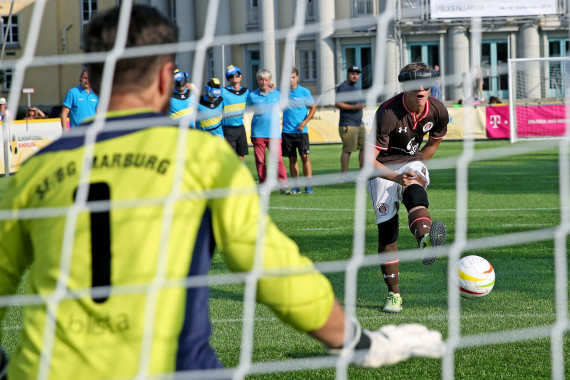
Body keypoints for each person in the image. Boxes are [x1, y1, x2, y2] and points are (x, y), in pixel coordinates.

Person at [0, 6, 444, 378]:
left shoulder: (36, 170)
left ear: (92, 82)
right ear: (165, 80)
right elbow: (275, 273)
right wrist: (362, 342)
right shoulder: (201, 160)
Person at [367, 62, 448, 313]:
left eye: (427, 84)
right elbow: (367, 161)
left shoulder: (438, 110)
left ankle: (425, 238)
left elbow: (433, 143)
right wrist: (394, 177)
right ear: (405, 87)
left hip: (410, 161)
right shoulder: (387, 112)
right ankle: (394, 295)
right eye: (416, 85)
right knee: (388, 233)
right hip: (382, 167)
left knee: (415, 189)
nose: (422, 89)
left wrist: (418, 164)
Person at [247, 68, 291, 194]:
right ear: (257, 80)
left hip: (274, 134)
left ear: (269, 81)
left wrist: (277, 88)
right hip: (258, 133)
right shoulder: (252, 95)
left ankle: (284, 185)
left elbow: (289, 93)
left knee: (278, 160)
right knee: (260, 161)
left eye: (266, 80)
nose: (263, 82)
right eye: (261, 80)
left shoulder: (277, 93)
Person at [282, 67, 317, 194]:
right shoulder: (281, 92)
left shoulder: (304, 92)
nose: (291, 80)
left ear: (297, 77)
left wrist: (305, 122)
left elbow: (313, 108)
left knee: (305, 158)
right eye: (288, 77)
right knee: (292, 160)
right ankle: (296, 186)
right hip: (287, 132)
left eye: (293, 77)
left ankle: (308, 186)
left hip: (301, 133)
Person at [335, 65, 366, 173]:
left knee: (365, 147)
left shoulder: (355, 87)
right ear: (347, 74)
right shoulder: (344, 86)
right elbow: (337, 104)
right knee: (348, 150)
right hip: (348, 124)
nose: (355, 76)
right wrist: (354, 107)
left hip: (359, 123)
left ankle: (362, 173)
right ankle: (344, 175)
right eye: (353, 73)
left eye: (357, 74)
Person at [222, 65, 250, 162]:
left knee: (241, 156)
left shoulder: (246, 91)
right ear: (228, 80)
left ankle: (241, 176)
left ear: (241, 77)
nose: (234, 77)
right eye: (230, 76)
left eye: (236, 75)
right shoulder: (223, 91)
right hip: (227, 129)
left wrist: (270, 88)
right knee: (230, 157)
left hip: (240, 127)